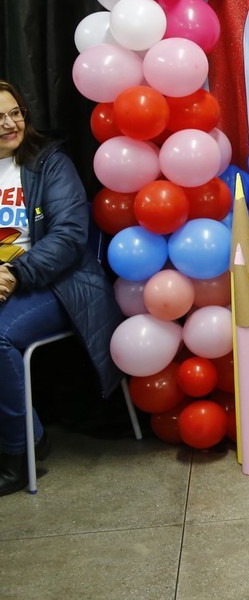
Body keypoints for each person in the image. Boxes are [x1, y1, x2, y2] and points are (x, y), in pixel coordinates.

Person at [0, 80, 125, 497]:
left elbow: (68, 237)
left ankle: (20, 449)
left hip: (57, 284)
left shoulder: (49, 162)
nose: (9, 124)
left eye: (15, 113)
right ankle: (25, 433)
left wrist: (14, 274)